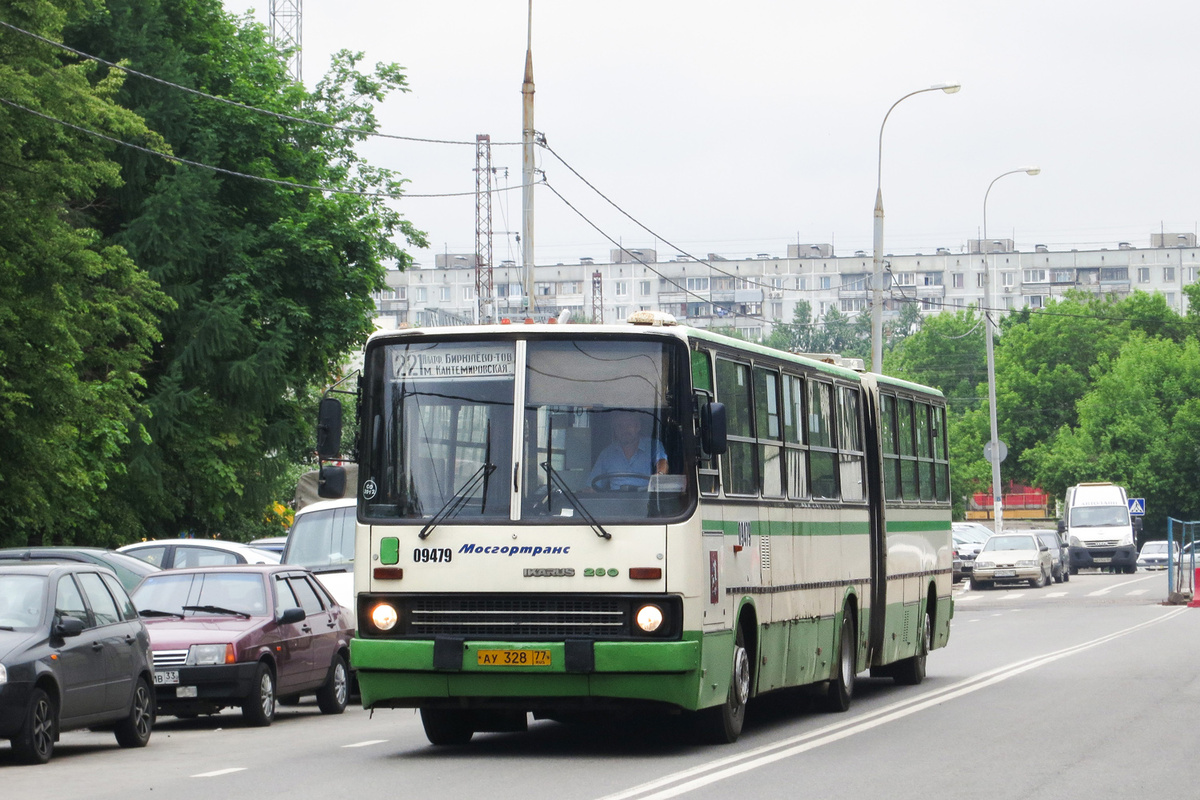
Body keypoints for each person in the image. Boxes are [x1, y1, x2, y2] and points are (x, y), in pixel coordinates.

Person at [587, 409, 668, 490]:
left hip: (646, 499)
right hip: (615, 500)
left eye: (629, 425)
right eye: (620, 426)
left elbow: (662, 461)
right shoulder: (607, 454)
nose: (624, 430)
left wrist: (659, 475)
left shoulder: (652, 446)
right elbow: (593, 487)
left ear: (638, 427)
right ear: (615, 430)